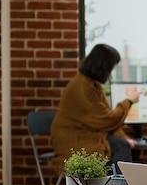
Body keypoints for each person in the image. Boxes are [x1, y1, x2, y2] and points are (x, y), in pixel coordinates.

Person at [51, 43, 140, 173]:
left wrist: (123, 137)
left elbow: (106, 117)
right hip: (73, 137)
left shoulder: (93, 84)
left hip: (90, 134)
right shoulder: (81, 87)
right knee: (120, 147)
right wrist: (129, 101)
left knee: (122, 144)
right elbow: (107, 120)